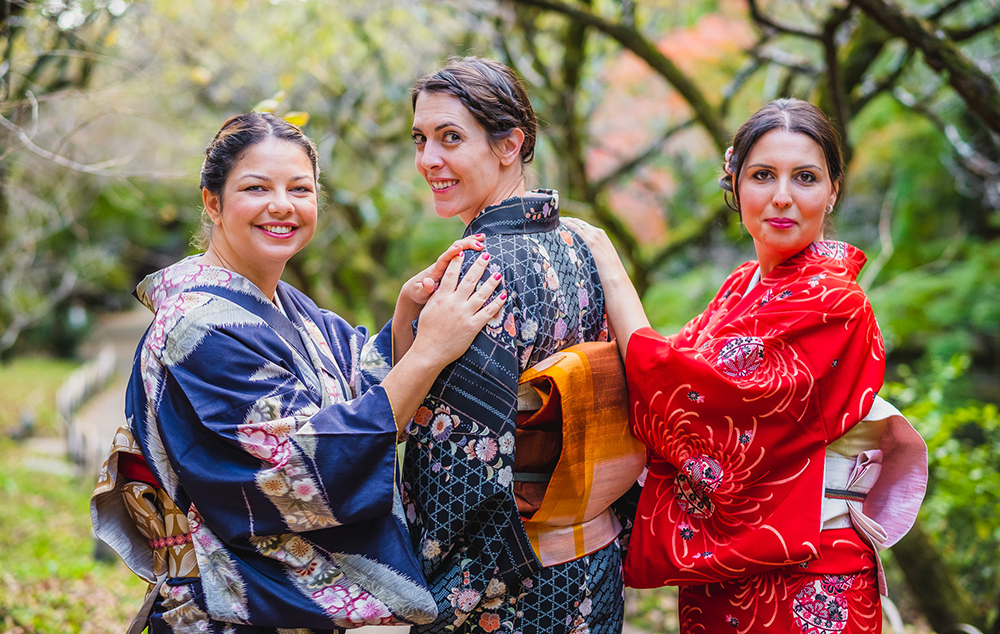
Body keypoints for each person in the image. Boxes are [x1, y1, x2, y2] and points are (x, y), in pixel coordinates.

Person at [91, 111, 508, 633]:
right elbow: (308, 470)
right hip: (227, 614)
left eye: (300, 188)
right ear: (212, 201)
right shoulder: (199, 327)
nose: (282, 205)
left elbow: (362, 388)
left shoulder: (288, 305)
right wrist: (427, 353)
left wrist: (407, 315)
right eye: (256, 187)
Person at [567, 98, 927, 633]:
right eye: (762, 175)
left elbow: (693, 394)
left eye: (805, 177)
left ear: (832, 191)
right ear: (735, 184)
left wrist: (611, 269)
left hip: (811, 578)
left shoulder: (834, 301)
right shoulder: (741, 285)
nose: (782, 197)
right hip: (726, 576)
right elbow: (660, 369)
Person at [380, 56, 640, 634]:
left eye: (451, 138)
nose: (429, 160)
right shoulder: (579, 243)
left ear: (508, 145)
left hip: (512, 587)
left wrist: (438, 598)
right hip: (594, 564)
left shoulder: (477, 271)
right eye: (420, 139)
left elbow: (459, 470)